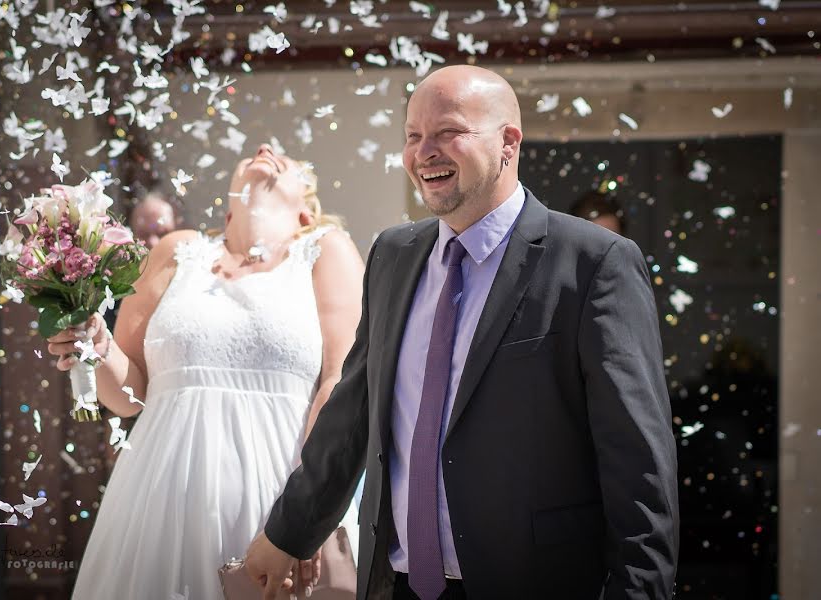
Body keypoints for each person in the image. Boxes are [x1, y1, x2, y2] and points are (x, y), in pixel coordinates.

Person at [244, 65, 679, 599]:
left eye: (448, 132)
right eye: (413, 136)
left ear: (508, 143)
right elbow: (352, 414)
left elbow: (638, 464)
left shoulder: (594, 263)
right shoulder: (392, 255)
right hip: (398, 585)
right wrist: (286, 533)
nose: (424, 151)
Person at [45, 144, 365, 599]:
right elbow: (127, 395)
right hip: (158, 500)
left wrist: (308, 508)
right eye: (253, 152)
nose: (265, 150)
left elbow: (339, 382)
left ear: (304, 215)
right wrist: (97, 346)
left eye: (287, 163)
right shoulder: (178, 252)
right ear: (229, 205)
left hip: (277, 497)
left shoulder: (324, 250)